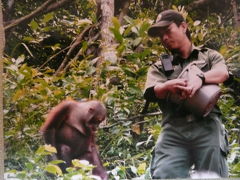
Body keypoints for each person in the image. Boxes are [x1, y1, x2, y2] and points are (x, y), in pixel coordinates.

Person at [144, 9, 229, 179]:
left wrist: (201, 77)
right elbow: (152, 91)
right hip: (174, 129)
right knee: (165, 173)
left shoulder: (209, 55)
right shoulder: (162, 65)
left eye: (168, 31)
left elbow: (222, 73)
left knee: (212, 176)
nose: (164, 38)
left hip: (207, 125)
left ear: (183, 27)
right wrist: (168, 86)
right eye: (161, 36)